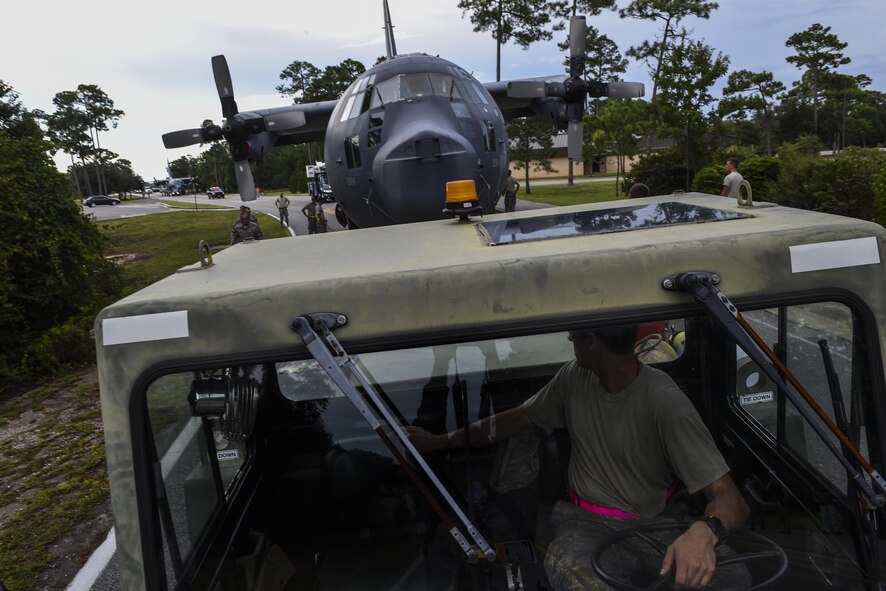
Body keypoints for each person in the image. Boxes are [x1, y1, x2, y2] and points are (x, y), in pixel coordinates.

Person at [408, 325, 749, 590]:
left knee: (733, 578)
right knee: (578, 578)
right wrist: (439, 441)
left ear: (590, 342)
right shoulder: (574, 377)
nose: (569, 340)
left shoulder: (665, 402)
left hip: (656, 525)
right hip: (585, 526)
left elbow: (730, 499)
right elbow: (515, 419)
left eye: (572, 335)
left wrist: (704, 533)